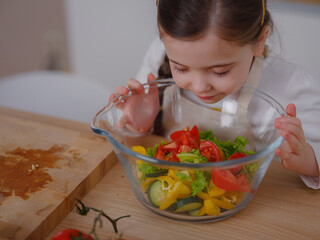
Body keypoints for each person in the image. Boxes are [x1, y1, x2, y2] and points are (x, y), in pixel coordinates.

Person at [109, 0, 320, 189]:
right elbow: (128, 138)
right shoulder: (160, 53)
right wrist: (140, 125)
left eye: (220, 71)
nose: (200, 87)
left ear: (259, 40)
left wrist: (307, 160)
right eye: (181, 69)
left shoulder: (291, 87)